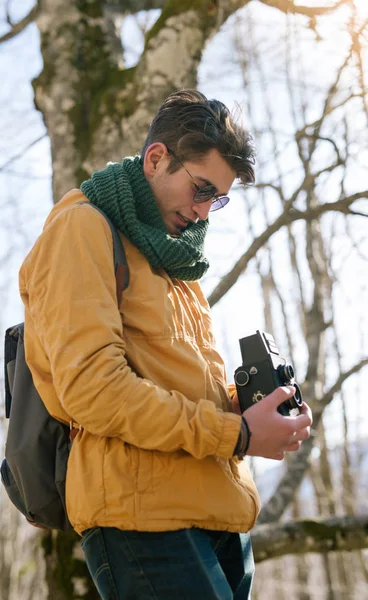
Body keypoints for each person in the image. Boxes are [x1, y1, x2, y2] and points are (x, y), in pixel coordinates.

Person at [19, 89, 312, 599]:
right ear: (157, 158)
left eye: (217, 198)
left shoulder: (174, 261)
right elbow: (94, 391)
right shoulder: (81, 229)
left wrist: (253, 410)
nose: (204, 212)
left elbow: (173, 377)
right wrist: (238, 434)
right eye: (201, 189)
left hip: (218, 514)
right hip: (143, 519)